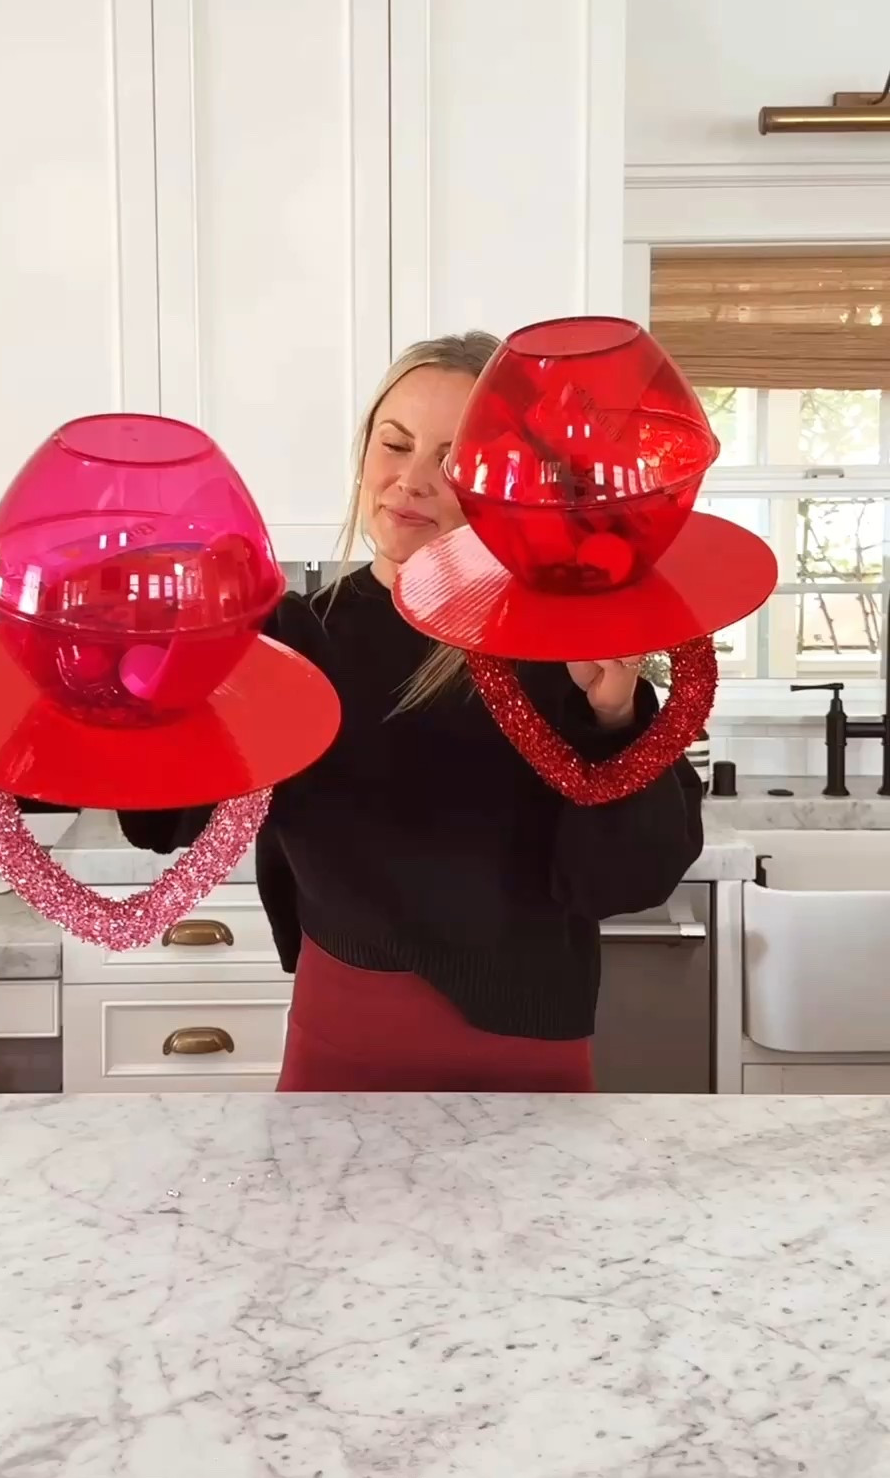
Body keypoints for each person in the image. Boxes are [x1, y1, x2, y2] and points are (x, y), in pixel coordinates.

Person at [120, 333, 703, 1092]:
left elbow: (626, 883)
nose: (411, 481)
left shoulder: (569, 645)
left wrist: (615, 719)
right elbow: (164, 825)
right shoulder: (293, 635)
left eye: (452, 461)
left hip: (528, 1054)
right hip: (342, 1039)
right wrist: (161, 692)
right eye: (394, 445)